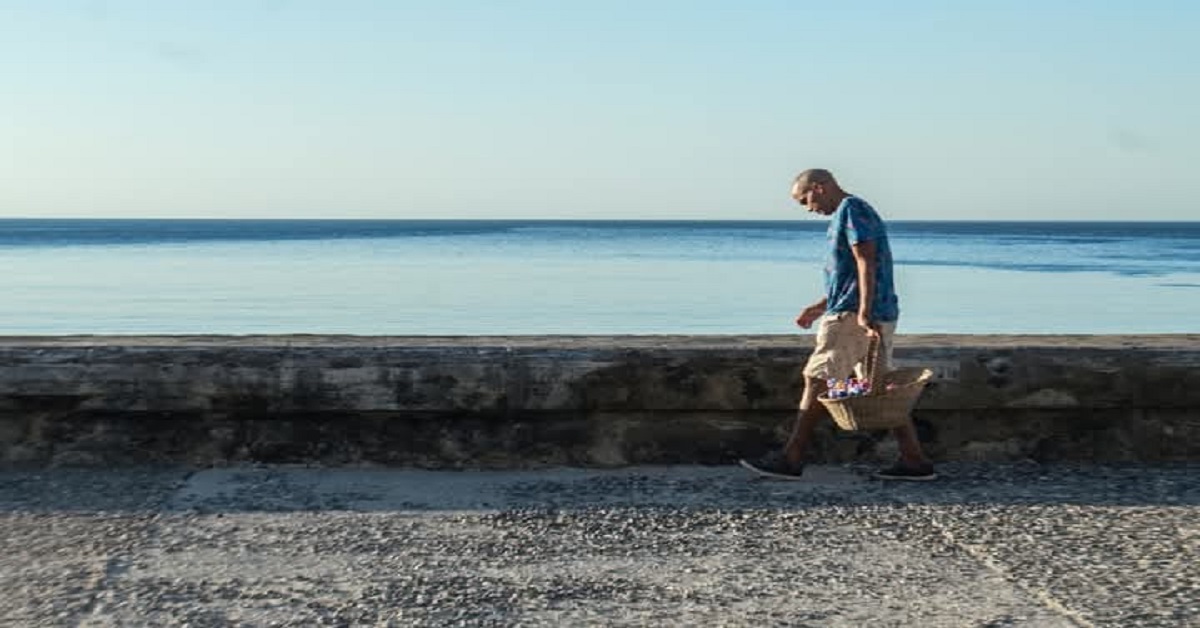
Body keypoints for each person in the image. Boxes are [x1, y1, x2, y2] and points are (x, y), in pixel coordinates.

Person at [740, 168, 936, 481]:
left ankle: (791, 458)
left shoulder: (851, 210)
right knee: (877, 387)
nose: (807, 208)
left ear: (820, 187)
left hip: (853, 316)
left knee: (817, 379)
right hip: (866, 310)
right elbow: (849, 274)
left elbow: (866, 261)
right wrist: (820, 306)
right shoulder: (851, 212)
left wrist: (862, 311)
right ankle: (914, 460)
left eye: (805, 199)